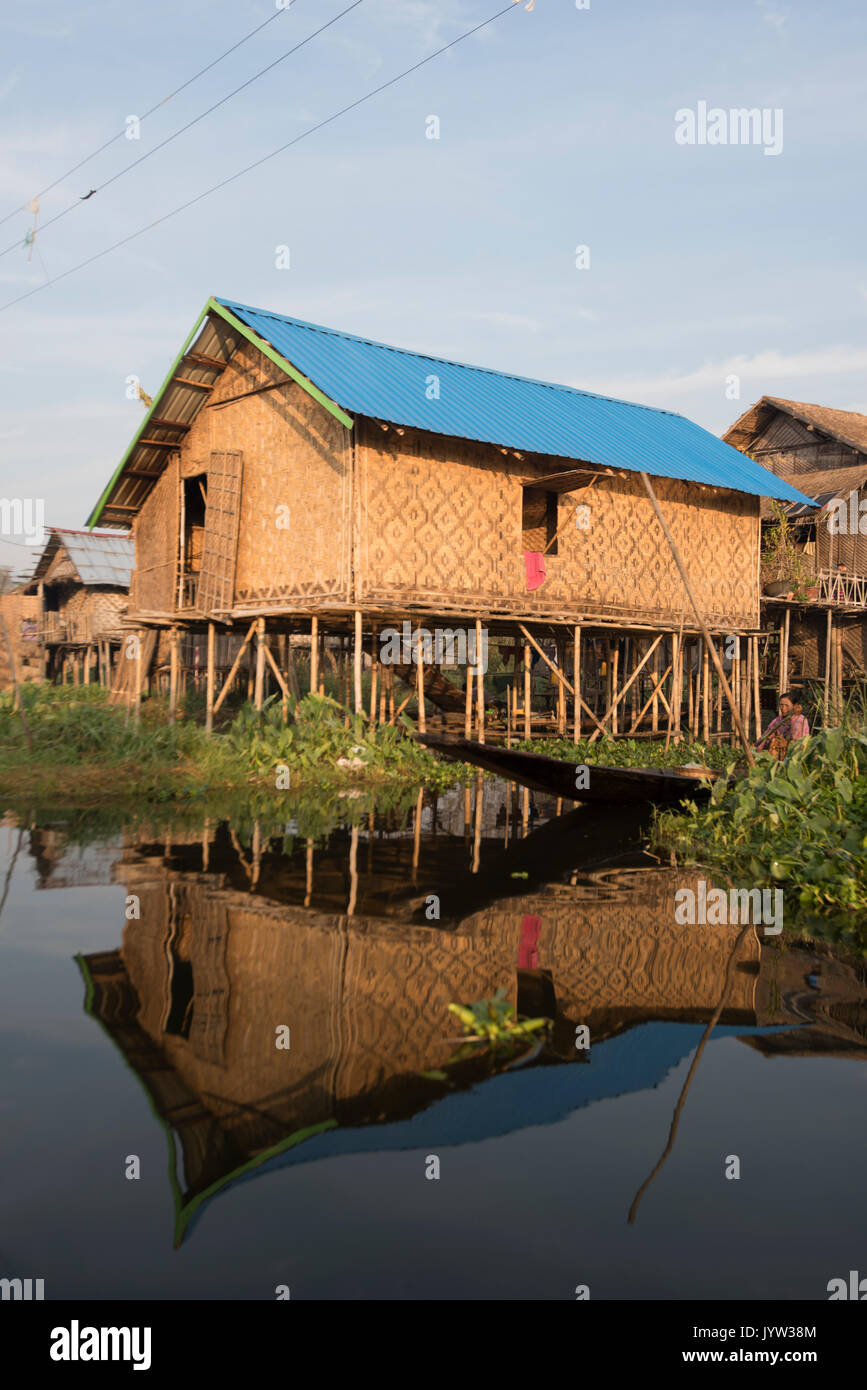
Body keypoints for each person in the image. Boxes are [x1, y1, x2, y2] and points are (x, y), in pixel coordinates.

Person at [756, 691, 810, 760]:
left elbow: (795, 741)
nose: (783, 708)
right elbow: (765, 736)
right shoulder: (777, 720)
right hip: (777, 754)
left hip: (795, 756)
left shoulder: (800, 720)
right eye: (781, 705)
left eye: (787, 705)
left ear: (795, 706)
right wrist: (757, 749)